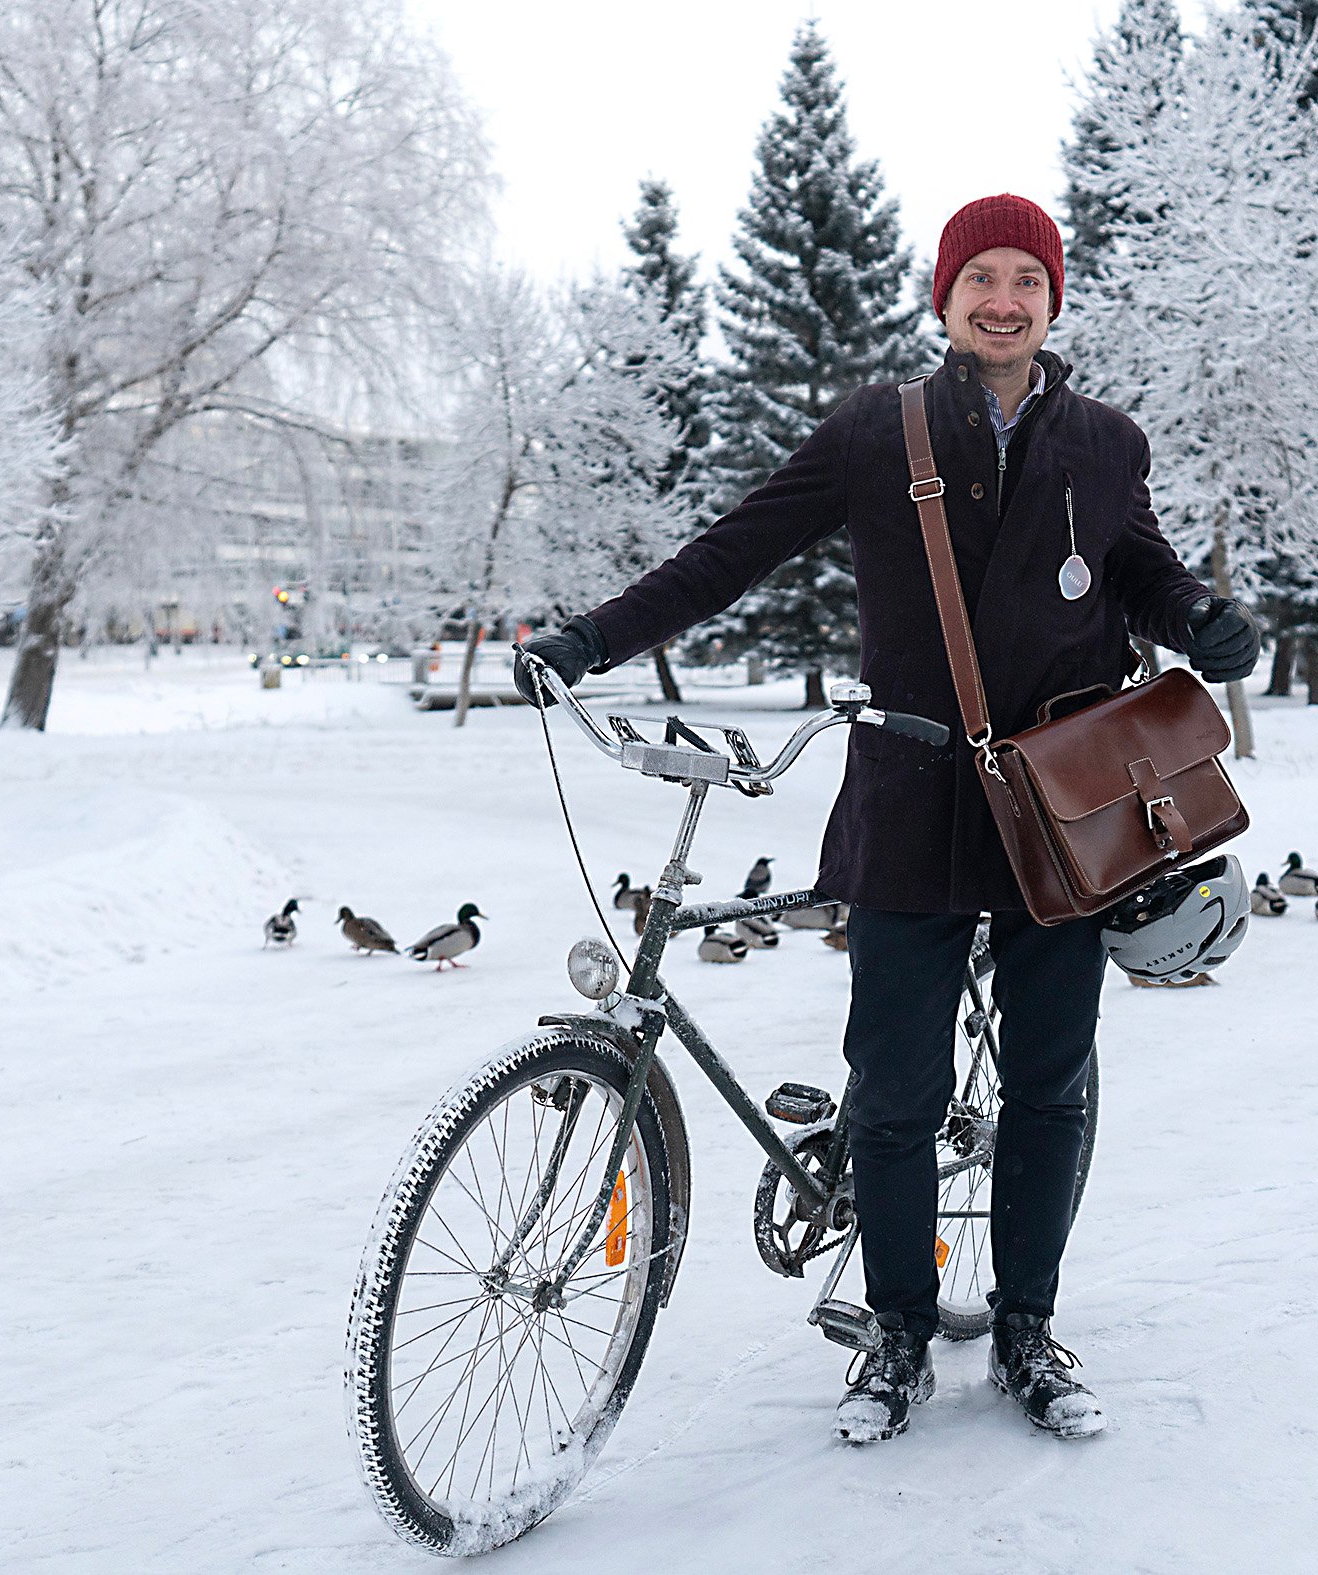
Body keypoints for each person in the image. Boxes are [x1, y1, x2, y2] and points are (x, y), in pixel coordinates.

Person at [516, 194, 1260, 1444]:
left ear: (1053, 300)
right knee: (893, 1097)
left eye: (1027, 280)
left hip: (1061, 818)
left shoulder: (1104, 443)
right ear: (945, 297)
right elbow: (734, 550)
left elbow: (1138, 568)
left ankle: (1024, 1329)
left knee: (1046, 1087)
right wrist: (594, 638)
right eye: (981, 279)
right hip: (909, 804)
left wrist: (1198, 619)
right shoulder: (876, 430)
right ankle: (900, 1334)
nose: (1004, 301)